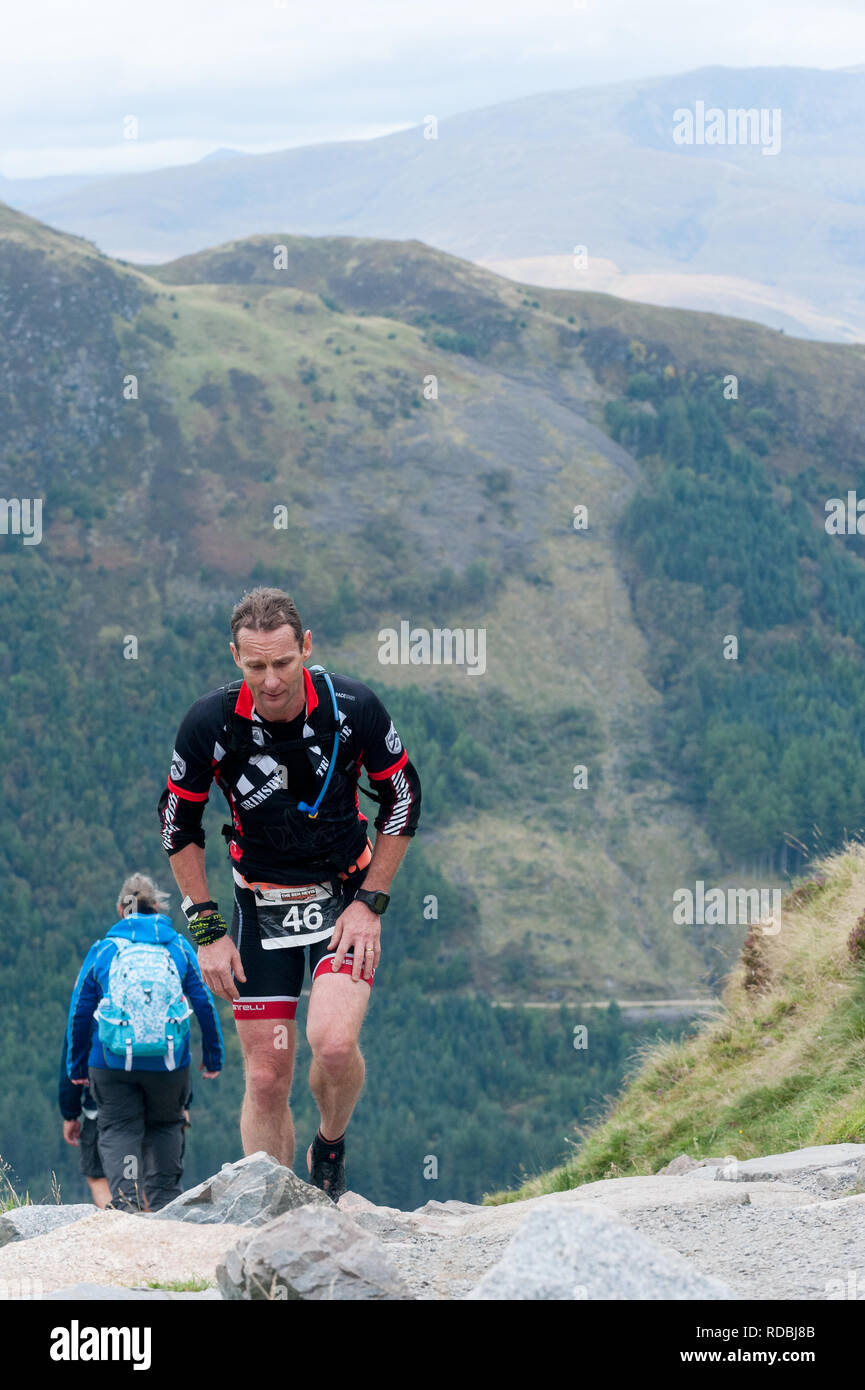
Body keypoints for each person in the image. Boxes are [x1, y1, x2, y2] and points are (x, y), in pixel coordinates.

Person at [158, 587, 421, 1201]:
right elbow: (178, 826)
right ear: (235, 657)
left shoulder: (353, 707)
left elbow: (403, 797)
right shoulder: (211, 723)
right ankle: (272, 1212)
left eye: (283, 663)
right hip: (260, 901)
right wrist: (206, 930)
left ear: (307, 647)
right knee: (269, 1077)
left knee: (332, 1044)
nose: (271, 680)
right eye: (255, 666)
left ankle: (329, 1143)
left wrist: (371, 903)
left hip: (345, 894)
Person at [65, 872, 225, 1212]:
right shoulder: (178, 945)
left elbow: (79, 1012)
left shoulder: (105, 949)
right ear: (157, 907)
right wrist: (213, 1056)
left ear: (121, 909)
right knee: (166, 1124)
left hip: (111, 1062)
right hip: (168, 1063)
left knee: (122, 1128)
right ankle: (166, 1201)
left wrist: (76, 1068)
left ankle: (128, 1201)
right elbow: (204, 1004)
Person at [58, 1034, 111, 1208]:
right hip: (151, 1106)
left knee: (98, 1176)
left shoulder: (88, 1006)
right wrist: (182, 1103)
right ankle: (146, 1224)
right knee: (136, 1175)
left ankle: (120, 1225)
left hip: (99, 1108)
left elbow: (73, 1058)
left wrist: (70, 1114)